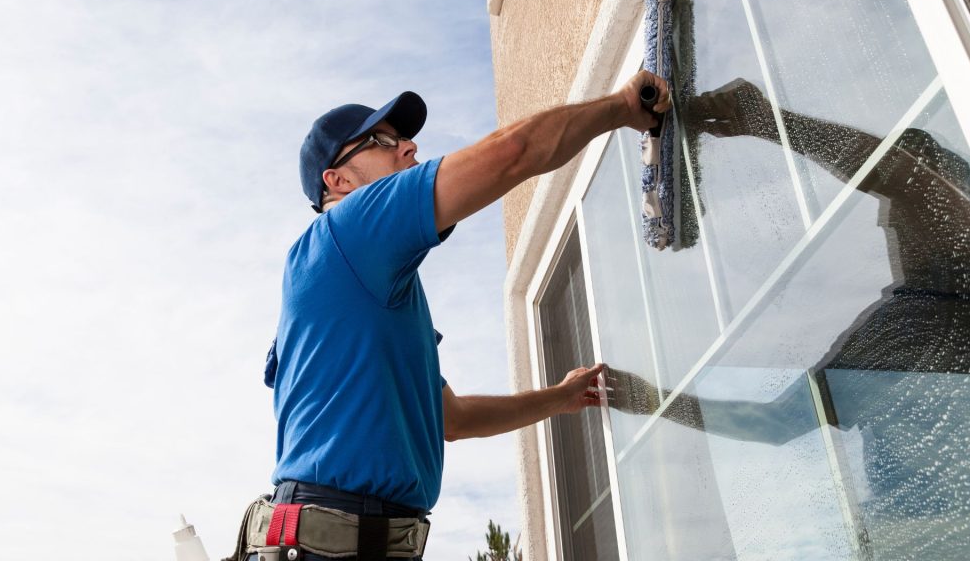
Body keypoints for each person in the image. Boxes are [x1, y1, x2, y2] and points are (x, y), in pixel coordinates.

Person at [256, 70, 670, 561]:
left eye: (405, 137)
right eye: (383, 140)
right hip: (333, 543)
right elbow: (511, 153)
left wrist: (559, 398)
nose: (408, 147)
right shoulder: (348, 231)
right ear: (338, 180)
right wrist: (623, 108)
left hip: (348, 540)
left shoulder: (372, 291)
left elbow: (452, 418)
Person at [607, 78, 970, 560]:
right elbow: (775, 423)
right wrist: (653, 402)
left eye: (895, 212)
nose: (886, 225)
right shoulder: (903, 325)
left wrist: (771, 122)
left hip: (925, 536)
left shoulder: (934, 303)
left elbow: (907, 182)